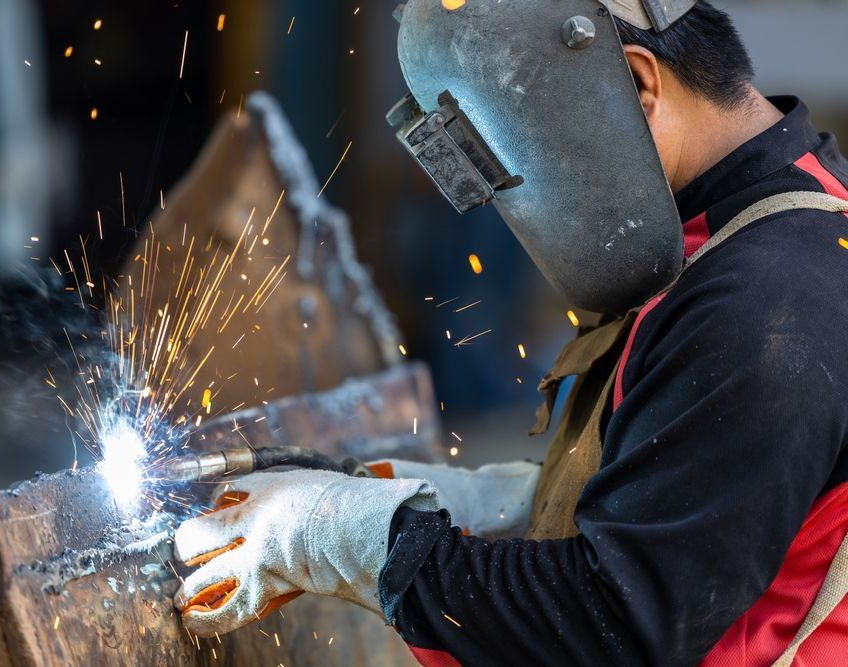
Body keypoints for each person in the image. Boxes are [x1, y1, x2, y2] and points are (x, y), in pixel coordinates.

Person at [172, 2, 848, 665]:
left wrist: (349, 537)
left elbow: (611, 627)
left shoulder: (767, 303)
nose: (513, 208)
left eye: (517, 160)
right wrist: (479, 506)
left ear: (639, 87)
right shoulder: (755, 229)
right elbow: (713, 504)